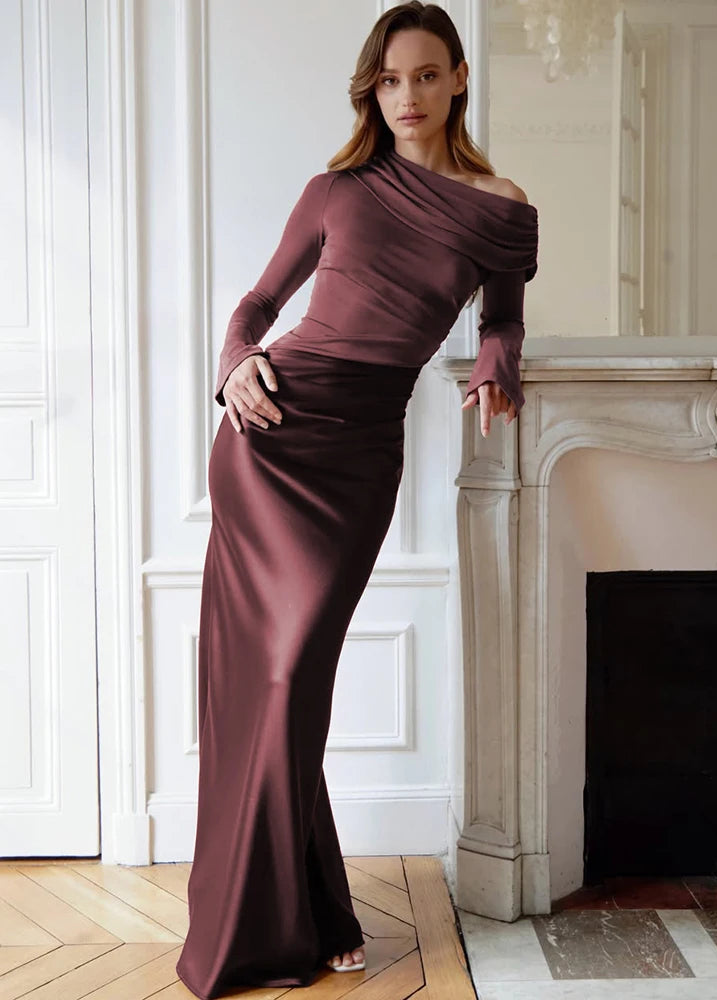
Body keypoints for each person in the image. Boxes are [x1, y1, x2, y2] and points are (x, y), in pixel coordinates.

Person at [174, 2, 538, 997]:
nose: (406, 97)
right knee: (269, 684)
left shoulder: (504, 209)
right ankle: (297, 918)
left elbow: (502, 318)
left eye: (424, 76)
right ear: (370, 89)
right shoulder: (335, 192)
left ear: (459, 77)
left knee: (296, 680)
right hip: (270, 438)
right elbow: (254, 309)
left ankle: (313, 909)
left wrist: (498, 360)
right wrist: (236, 365)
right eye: (388, 80)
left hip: (361, 458)